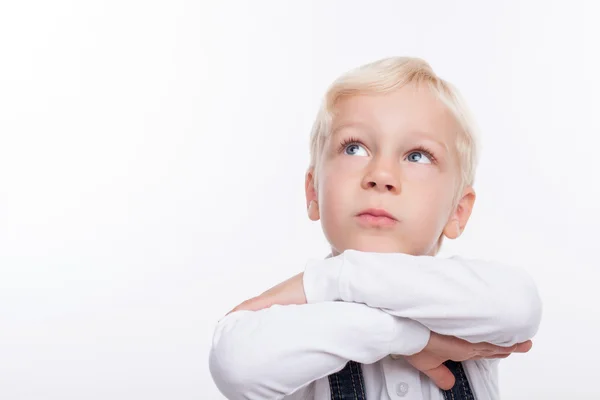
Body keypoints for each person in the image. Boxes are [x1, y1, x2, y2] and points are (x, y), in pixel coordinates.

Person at [208, 57, 542, 400]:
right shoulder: (296, 323)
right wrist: (414, 339)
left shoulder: (466, 300)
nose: (381, 175)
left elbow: (520, 306)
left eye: (416, 155)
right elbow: (236, 364)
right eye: (354, 148)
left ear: (458, 211)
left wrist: (332, 278)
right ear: (313, 191)